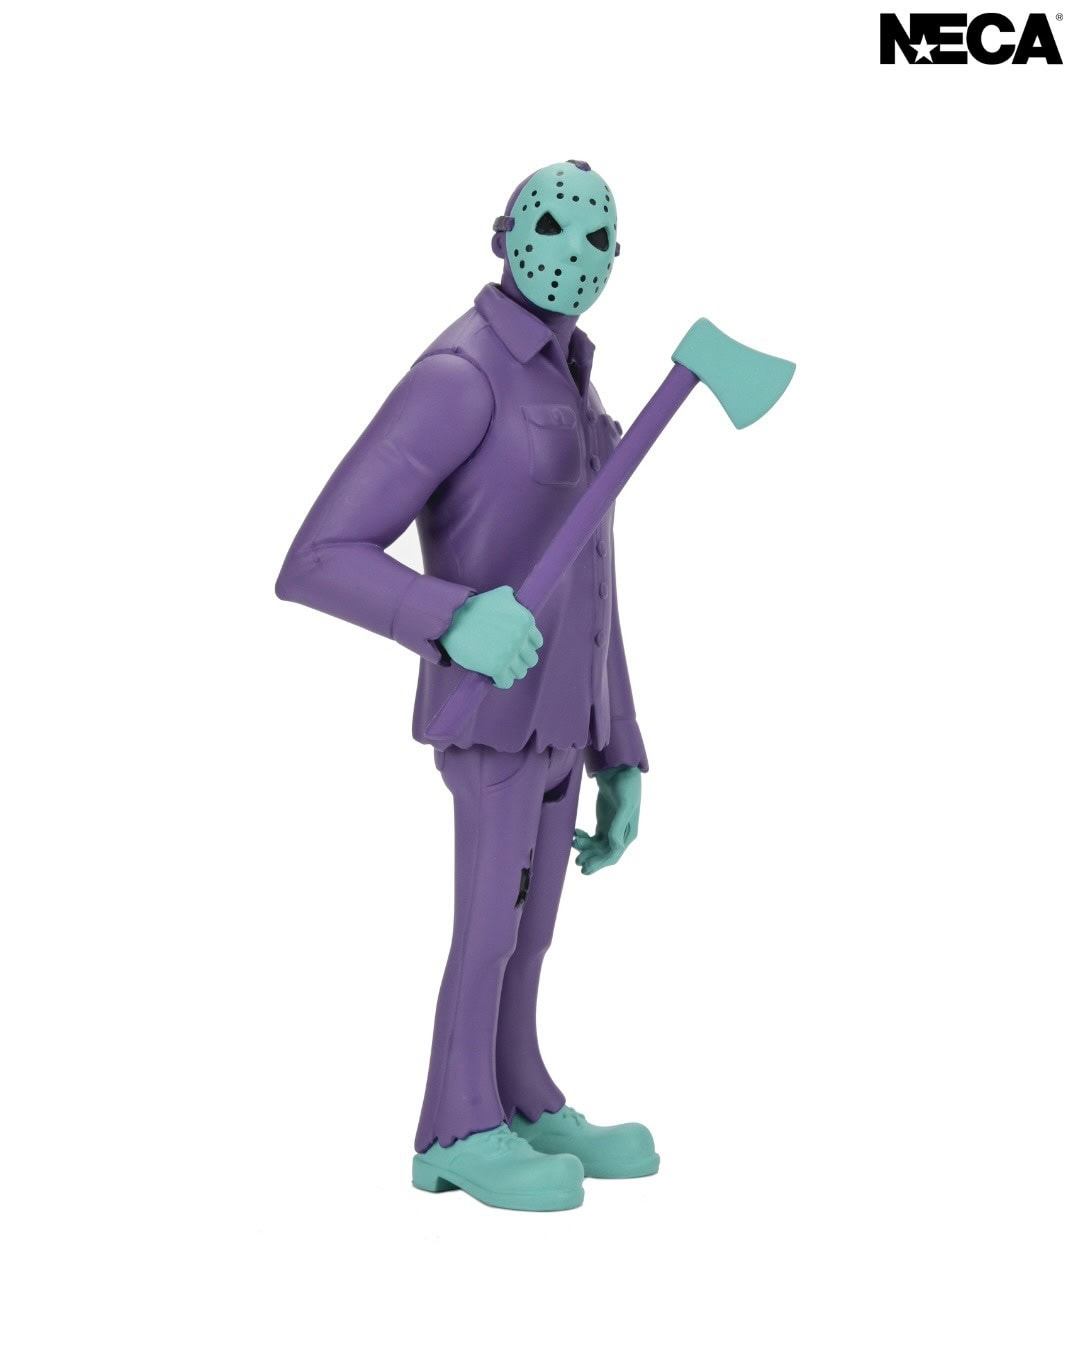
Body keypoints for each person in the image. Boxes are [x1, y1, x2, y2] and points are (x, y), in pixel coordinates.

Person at [276, 160, 658, 1211]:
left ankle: (521, 1099)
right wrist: (449, 616)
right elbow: (316, 557)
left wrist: (620, 745)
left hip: (564, 720)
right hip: (491, 718)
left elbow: (596, 581)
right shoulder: (462, 375)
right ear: (502, 232)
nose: (570, 255)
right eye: (549, 226)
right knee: (488, 928)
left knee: (533, 933)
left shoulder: (578, 388)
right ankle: (455, 1127)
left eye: (595, 240)